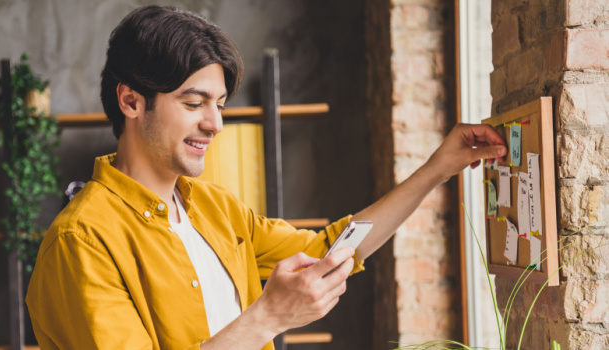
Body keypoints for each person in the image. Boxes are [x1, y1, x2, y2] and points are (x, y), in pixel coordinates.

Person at [25, 5, 506, 350]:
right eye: (194, 103)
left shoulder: (214, 208)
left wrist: (438, 168)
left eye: (219, 105)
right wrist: (270, 317)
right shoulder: (81, 242)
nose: (214, 123)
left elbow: (329, 250)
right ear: (131, 101)